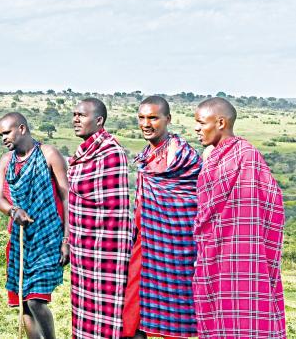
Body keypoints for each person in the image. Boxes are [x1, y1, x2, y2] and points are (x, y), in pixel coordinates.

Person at [192, 97, 285, 339]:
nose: (196, 128)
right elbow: (206, 209)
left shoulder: (246, 156)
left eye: (201, 123)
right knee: (215, 311)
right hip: (212, 251)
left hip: (243, 254)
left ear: (220, 122)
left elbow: (270, 203)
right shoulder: (209, 157)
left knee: (245, 311)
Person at [122, 96, 201, 338]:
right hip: (144, 243)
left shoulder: (182, 156)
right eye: (142, 118)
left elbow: (192, 201)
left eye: (153, 118)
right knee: (131, 317)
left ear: (168, 119)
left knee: (174, 316)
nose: (146, 123)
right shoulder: (147, 154)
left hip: (176, 247)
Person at [0, 112, 68, 339]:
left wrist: (67, 240)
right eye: (0, 134)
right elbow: (0, 198)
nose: (3, 138)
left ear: (22, 129)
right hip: (20, 239)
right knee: (24, 302)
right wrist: (13, 211)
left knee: (36, 300)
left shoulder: (49, 154)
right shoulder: (7, 162)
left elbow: (67, 198)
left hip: (49, 237)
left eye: (7, 132)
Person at [67, 98, 133, 339]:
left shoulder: (112, 152)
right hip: (82, 247)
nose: (75, 119)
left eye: (81, 115)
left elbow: (116, 208)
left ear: (99, 120)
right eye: (74, 114)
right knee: (83, 305)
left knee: (108, 307)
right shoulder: (81, 153)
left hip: (108, 249)